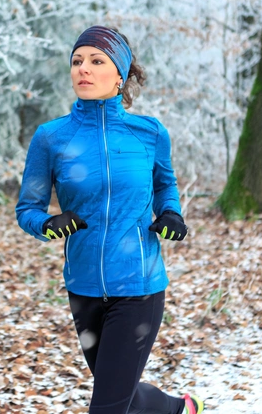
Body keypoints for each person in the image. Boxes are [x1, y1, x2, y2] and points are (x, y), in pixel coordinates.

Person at [15, 25, 204, 414]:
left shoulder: (148, 133)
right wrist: (46, 223)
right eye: (77, 61)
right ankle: (178, 409)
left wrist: (170, 212)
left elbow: (165, 186)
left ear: (119, 76)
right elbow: (27, 209)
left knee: (107, 406)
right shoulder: (51, 138)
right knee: (121, 393)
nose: (83, 68)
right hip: (83, 289)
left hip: (139, 286)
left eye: (96, 61)